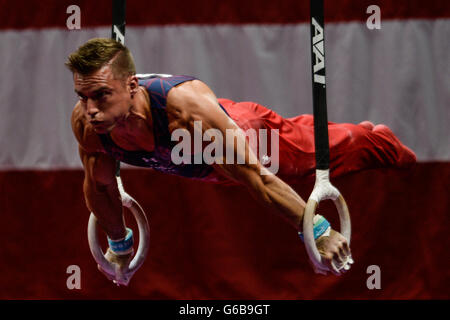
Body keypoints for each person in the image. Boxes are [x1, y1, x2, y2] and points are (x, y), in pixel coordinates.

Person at [66, 38, 416, 281]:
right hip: (202, 163)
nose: (91, 110)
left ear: (131, 87)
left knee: (305, 157)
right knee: (287, 143)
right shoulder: (87, 125)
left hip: (243, 134)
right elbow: (100, 185)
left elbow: (259, 180)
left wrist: (318, 231)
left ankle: (376, 141)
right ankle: (356, 134)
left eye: (101, 96)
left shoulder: (186, 112)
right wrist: (119, 244)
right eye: (83, 97)